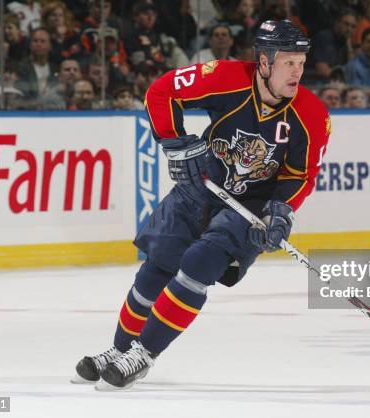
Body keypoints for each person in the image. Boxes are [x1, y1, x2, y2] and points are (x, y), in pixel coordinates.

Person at [72, 19, 330, 391]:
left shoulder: (313, 114)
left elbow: (301, 174)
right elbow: (161, 93)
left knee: (197, 266)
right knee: (156, 267)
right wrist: (174, 141)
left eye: (301, 63)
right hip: (201, 186)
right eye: (288, 62)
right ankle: (120, 350)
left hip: (250, 209)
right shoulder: (224, 77)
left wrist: (281, 209)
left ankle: (143, 354)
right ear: (264, 61)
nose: (297, 71)